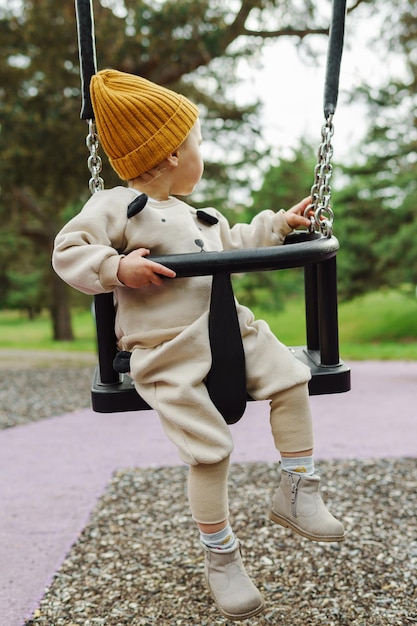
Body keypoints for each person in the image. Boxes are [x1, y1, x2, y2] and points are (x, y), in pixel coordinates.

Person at [52, 69, 345, 621]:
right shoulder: (115, 206)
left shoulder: (195, 215)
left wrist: (279, 223)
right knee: (211, 450)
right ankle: (222, 556)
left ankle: (299, 488)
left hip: (230, 328)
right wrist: (116, 267)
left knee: (292, 380)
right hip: (166, 352)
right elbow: (68, 252)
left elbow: (233, 244)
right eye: (198, 143)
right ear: (168, 155)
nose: (201, 153)